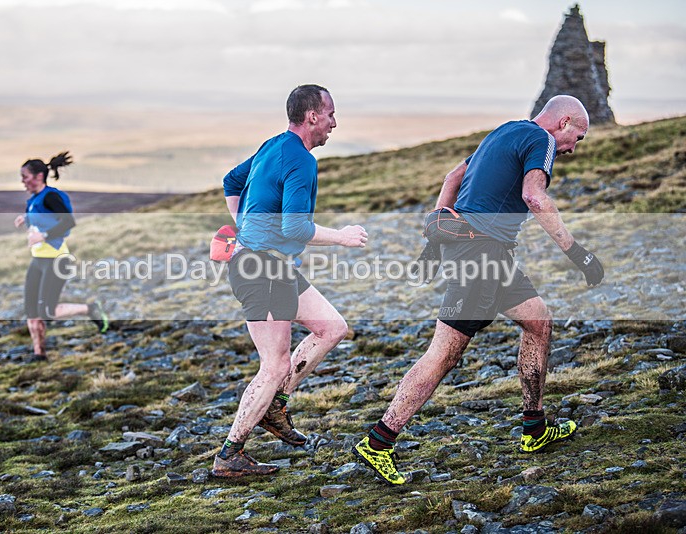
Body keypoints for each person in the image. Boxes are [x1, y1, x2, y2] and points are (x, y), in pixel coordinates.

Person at [353, 95, 605, 485]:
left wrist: (437, 234)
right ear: (564, 121)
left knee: (539, 322)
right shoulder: (544, 141)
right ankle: (379, 441)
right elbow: (534, 197)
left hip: (490, 252)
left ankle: (534, 429)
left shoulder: (504, 131)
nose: (574, 148)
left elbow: (453, 177)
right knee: (444, 353)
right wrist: (578, 254)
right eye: (579, 137)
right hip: (480, 254)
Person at [211, 84, 369, 477]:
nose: (335, 121)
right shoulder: (301, 160)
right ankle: (230, 454)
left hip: (274, 267)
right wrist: (343, 237)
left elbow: (232, 181)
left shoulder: (273, 145)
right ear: (312, 115)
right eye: (330, 113)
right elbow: (296, 226)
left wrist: (244, 225)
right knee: (274, 364)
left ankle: (275, 406)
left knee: (332, 327)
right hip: (260, 269)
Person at [13, 151, 109, 361]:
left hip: (57, 260)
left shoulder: (52, 196)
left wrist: (44, 235)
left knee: (48, 311)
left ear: (39, 176)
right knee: (32, 311)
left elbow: (68, 223)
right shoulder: (33, 200)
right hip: (38, 261)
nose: (23, 181)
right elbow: (41, 221)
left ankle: (90, 309)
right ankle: (39, 354)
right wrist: (25, 219)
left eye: (25, 177)